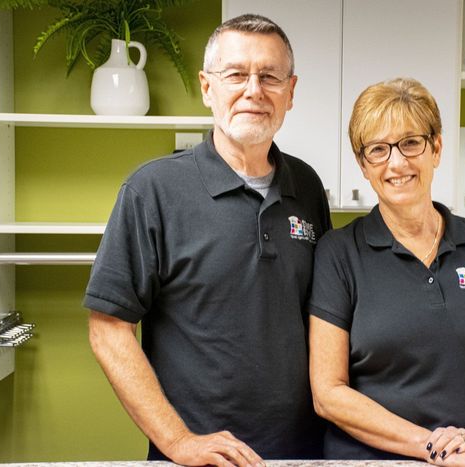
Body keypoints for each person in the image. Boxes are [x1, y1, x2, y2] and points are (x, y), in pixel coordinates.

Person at [84, 14, 331, 467]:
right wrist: (178, 441)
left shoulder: (308, 187)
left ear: (290, 91)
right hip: (197, 457)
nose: (254, 90)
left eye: (270, 76)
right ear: (206, 87)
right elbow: (108, 329)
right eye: (236, 74)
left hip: (303, 450)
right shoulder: (152, 190)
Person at [308, 78, 465, 466]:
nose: (396, 163)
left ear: (436, 147)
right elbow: (328, 392)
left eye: (410, 143)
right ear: (363, 165)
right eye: (378, 150)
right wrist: (437, 450)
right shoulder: (339, 253)